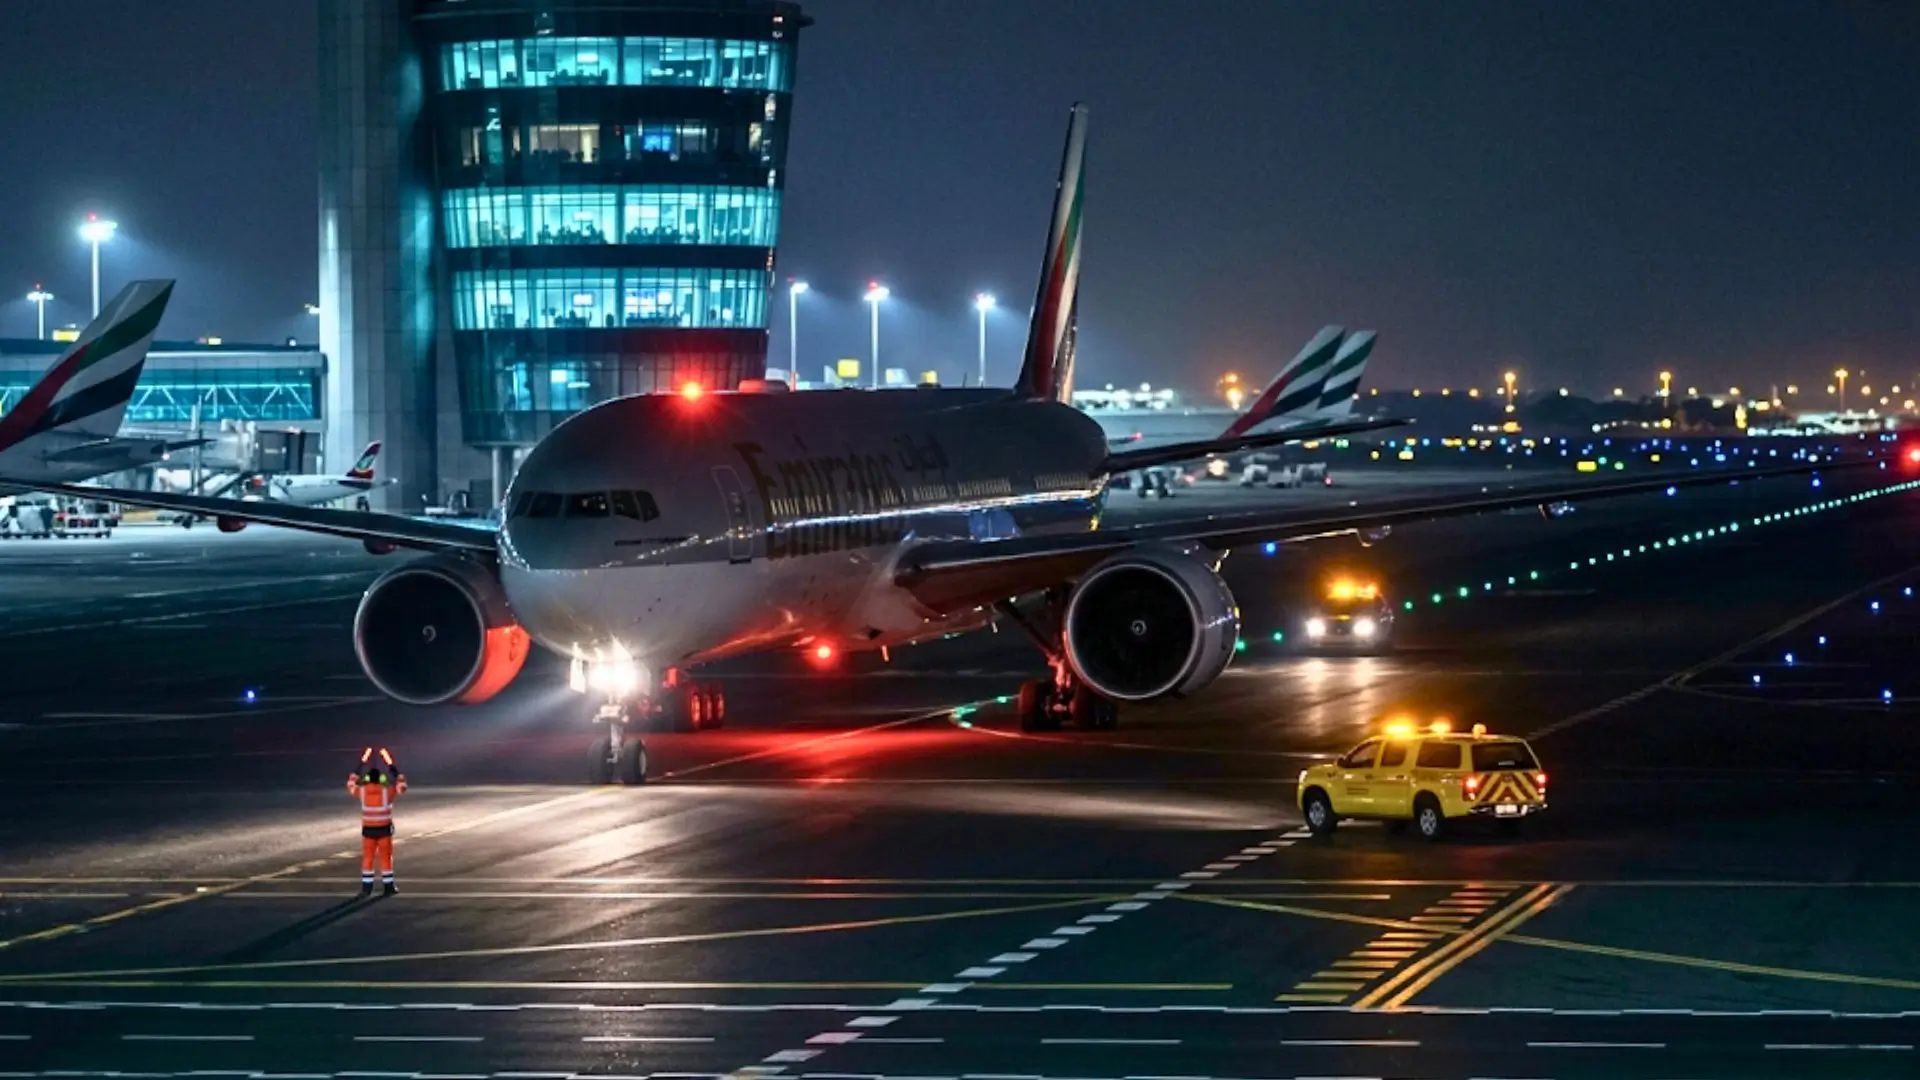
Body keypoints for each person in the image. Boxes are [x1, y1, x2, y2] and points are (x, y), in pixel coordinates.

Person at [347, 752, 407, 896]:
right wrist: (394, 770)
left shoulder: (361, 791)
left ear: (367, 779)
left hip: (368, 830)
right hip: (384, 830)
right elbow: (402, 786)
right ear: (381, 778)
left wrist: (360, 766)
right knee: (386, 858)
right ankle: (389, 887)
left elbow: (350, 784)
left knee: (368, 858)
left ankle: (366, 888)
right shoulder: (388, 791)